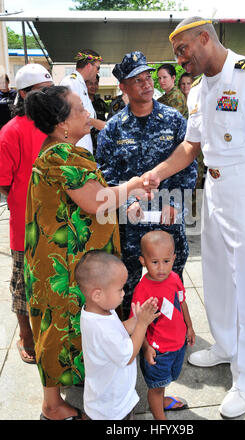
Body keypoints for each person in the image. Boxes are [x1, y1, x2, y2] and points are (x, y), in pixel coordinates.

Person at [141, 17, 245, 418]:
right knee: (214, 274)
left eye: (183, 51)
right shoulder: (197, 90)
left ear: (204, 38)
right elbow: (191, 146)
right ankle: (226, 346)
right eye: (176, 54)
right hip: (214, 190)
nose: (180, 61)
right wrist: (157, 173)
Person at [24, 85, 154, 420]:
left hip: (66, 258)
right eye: (79, 109)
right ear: (62, 123)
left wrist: (123, 206)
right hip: (61, 266)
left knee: (65, 327)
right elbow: (96, 202)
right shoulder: (61, 157)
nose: (87, 113)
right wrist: (134, 184)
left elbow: (87, 201)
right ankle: (52, 405)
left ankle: (64, 395)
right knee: (57, 329)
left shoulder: (61, 150)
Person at [97, 51, 197, 319]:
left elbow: (188, 164)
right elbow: (106, 172)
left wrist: (176, 203)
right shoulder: (114, 128)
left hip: (168, 217)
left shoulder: (175, 120)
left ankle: (169, 336)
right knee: (127, 284)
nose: (147, 84)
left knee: (171, 281)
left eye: (148, 77)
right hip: (131, 222)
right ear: (123, 87)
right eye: (137, 80)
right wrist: (127, 202)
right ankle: (134, 338)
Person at [0, 64, 54, 365]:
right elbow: (4, 183)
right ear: (23, 95)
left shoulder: (55, 126)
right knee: (23, 285)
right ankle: (26, 336)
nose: (48, 96)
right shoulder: (10, 132)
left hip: (57, 222)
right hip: (25, 226)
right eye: (41, 92)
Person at [76, 250, 160, 420]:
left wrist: (137, 319)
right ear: (97, 295)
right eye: (120, 289)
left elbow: (119, 329)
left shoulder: (98, 312)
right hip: (112, 408)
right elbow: (128, 355)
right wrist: (142, 324)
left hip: (105, 398)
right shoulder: (101, 327)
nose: (123, 293)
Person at [130, 230, 195, 420]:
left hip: (178, 345)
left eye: (166, 261)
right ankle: (160, 418)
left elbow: (182, 303)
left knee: (164, 381)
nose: (161, 268)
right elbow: (137, 324)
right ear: (143, 261)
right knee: (155, 388)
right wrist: (146, 348)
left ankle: (162, 399)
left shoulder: (174, 278)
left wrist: (189, 327)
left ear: (174, 258)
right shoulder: (142, 290)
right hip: (158, 351)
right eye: (154, 262)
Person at [60, 49, 105, 154]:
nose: (98, 71)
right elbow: (70, 116)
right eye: (97, 68)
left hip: (83, 143)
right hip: (75, 146)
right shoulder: (71, 83)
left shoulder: (80, 83)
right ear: (89, 66)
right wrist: (100, 124)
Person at [85, 74, 107, 155]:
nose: (93, 86)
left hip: (100, 146)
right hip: (86, 146)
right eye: (90, 83)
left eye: (96, 83)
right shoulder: (81, 103)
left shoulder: (101, 103)